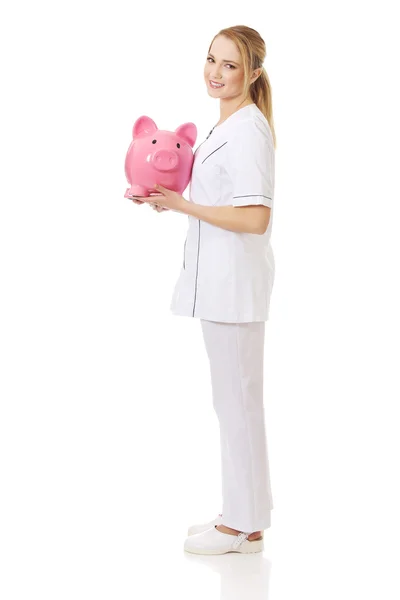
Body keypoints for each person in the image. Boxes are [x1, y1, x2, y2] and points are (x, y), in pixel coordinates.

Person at [130, 25, 276, 555]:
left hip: (234, 287)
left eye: (230, 65)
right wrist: (156, 195)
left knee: (237, 403)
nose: (215, 72)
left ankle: (240, 524)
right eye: (211, 59)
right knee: (235, 402)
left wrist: (185, 206)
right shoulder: (226, 125)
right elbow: (206, 189)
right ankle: (245, 517)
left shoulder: (249, 130)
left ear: (252, 73)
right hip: (220, 285)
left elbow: (256, 217)